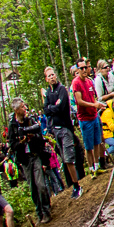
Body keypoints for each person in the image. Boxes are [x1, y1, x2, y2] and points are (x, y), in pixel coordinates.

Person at [42, 66, 84, 200]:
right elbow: (46, 110)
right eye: (49, 76)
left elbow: (61, 107)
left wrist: (52, 107)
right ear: (46, 78)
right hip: (55, 130)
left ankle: (77, 185)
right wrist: (52, 106)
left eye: (53, 74)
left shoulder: (61, 90)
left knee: (68, 158)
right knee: (64, 159)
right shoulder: (48, 92)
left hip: (65, 128)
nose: (52, 77)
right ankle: (72, 184)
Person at [8, 100, 50, 225]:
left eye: (25, 105)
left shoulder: (30, 120)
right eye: (22, 107)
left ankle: (47, 210)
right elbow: (12, 145)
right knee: (33, 188)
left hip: (35, 155)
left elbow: (40, 137)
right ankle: (39, 213)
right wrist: (21, 141)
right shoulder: (13, 126)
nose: (25, 108)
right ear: (16, 110)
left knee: (41, 185)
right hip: (25, 160)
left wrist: (32, 137)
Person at [71, 61, 107, 174]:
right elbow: (79, 101)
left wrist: (98, 105)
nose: (84, 70)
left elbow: (93, 98)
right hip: (85, 118)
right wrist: (93, 105)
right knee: (88, 145)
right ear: (77, 70)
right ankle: (91, 168)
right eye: (81, 68)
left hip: (94, 115)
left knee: (97, 142)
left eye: (86, 67)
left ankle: (97, 165)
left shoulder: (90, 81)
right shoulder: (76, 83)